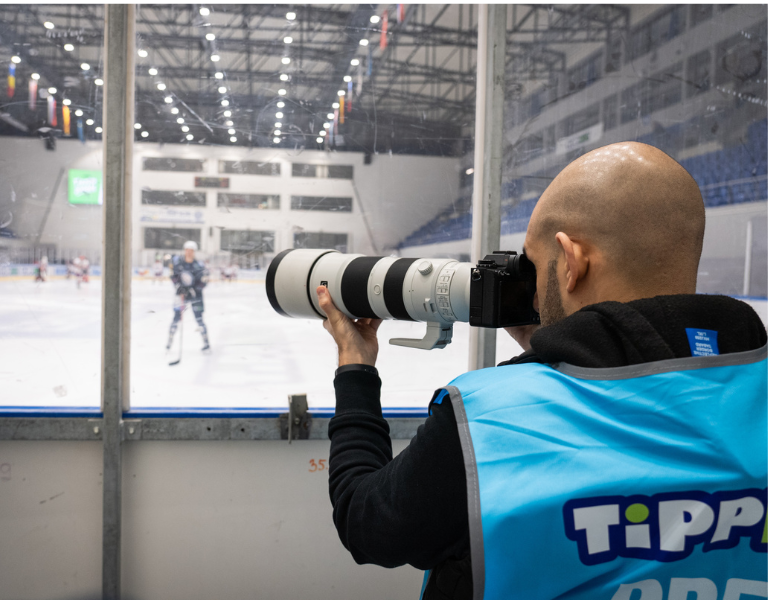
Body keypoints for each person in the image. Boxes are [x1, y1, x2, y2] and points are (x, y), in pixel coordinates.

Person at [317, 142, 767, 599]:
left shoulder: (490, 421)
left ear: (570, 262)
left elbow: (367, 523)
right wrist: (555, 343)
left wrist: (356, 368)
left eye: (533, 267)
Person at [166, 240, 210, 352]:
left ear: (194, 252)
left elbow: (204, 281)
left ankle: (206, 343)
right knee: (176, 318)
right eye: (187, 250)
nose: (189, 253)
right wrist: (179, 286)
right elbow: (173, 277)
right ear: (185, 251)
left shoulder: (199, 265)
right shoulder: (178, 264)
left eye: (191, 251)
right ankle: (169, 343)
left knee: (199, 319)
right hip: (181, 295)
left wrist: (194, 289)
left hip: (196, 296)